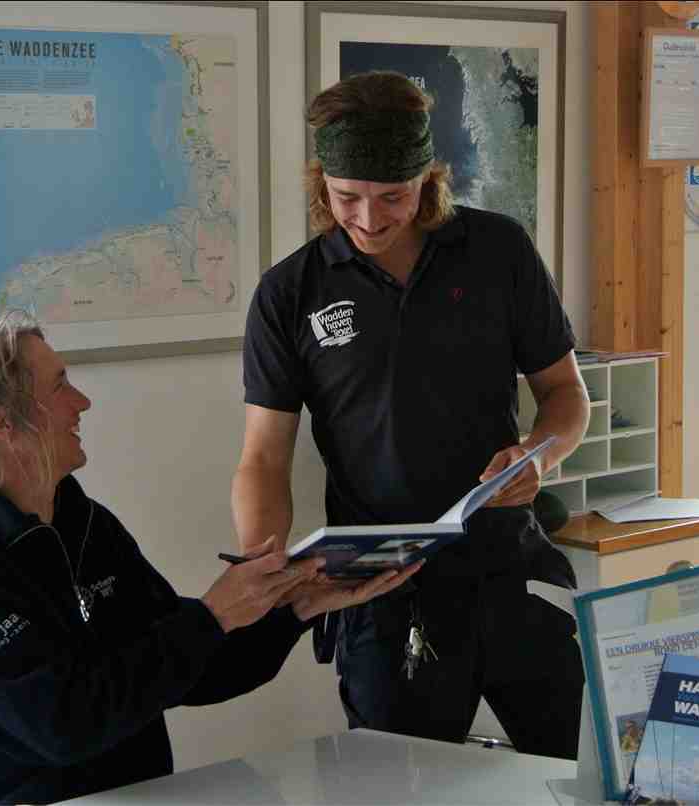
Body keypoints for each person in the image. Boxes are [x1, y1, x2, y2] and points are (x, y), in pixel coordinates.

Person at [0, 315, 420, 805]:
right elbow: (66, 726)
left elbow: (193, 672)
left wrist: (296, 607)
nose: (81, 402)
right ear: (2, 423)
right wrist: (211, 616)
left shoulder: (84, 524)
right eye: (60, 386)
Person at [231, 71, 591, 759]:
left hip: (511, 572)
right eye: (347, 199)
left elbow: (565, 396)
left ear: (428, 179)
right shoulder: (288, 293)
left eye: (391, 197)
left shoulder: (498, 251)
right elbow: (262, 458)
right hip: (383, 595)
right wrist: (264, 564)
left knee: (579, 773)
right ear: (322, 186)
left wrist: (538, 455)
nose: (368, 219)